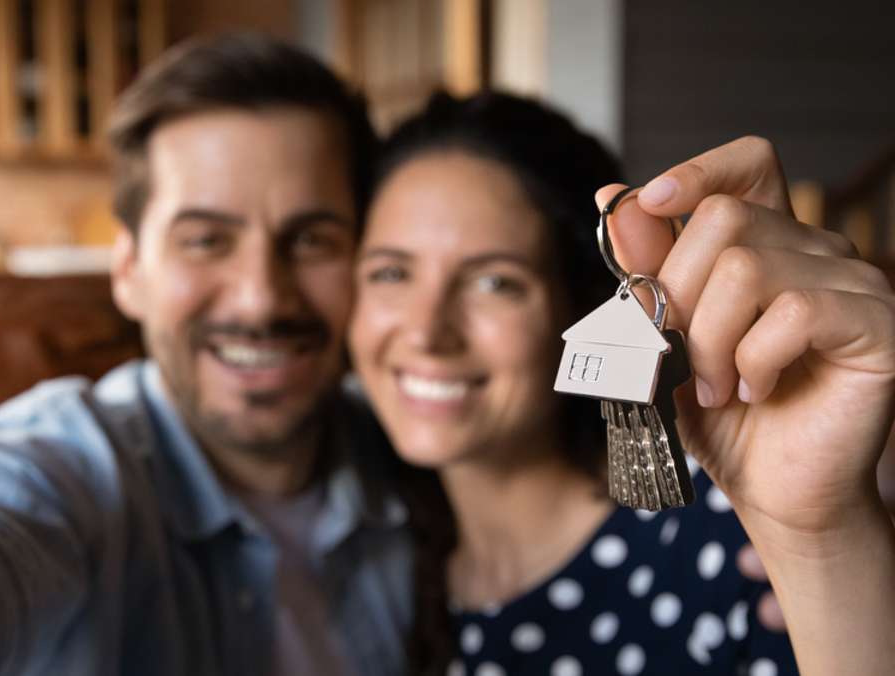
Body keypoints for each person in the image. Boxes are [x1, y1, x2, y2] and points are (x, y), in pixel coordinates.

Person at [0, 34, 806, 676]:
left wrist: (824, 535)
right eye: (205, 239)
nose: (263, 297)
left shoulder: (405, 477)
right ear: (124, 269)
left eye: (314, 240)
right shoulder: (72, 469)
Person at [348, 90, 895, 675]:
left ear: (576, 303)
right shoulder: (354, 559)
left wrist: (822, 537)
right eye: (391, 272)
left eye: (494, 283)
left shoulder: (736, 544)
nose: (428, 331)